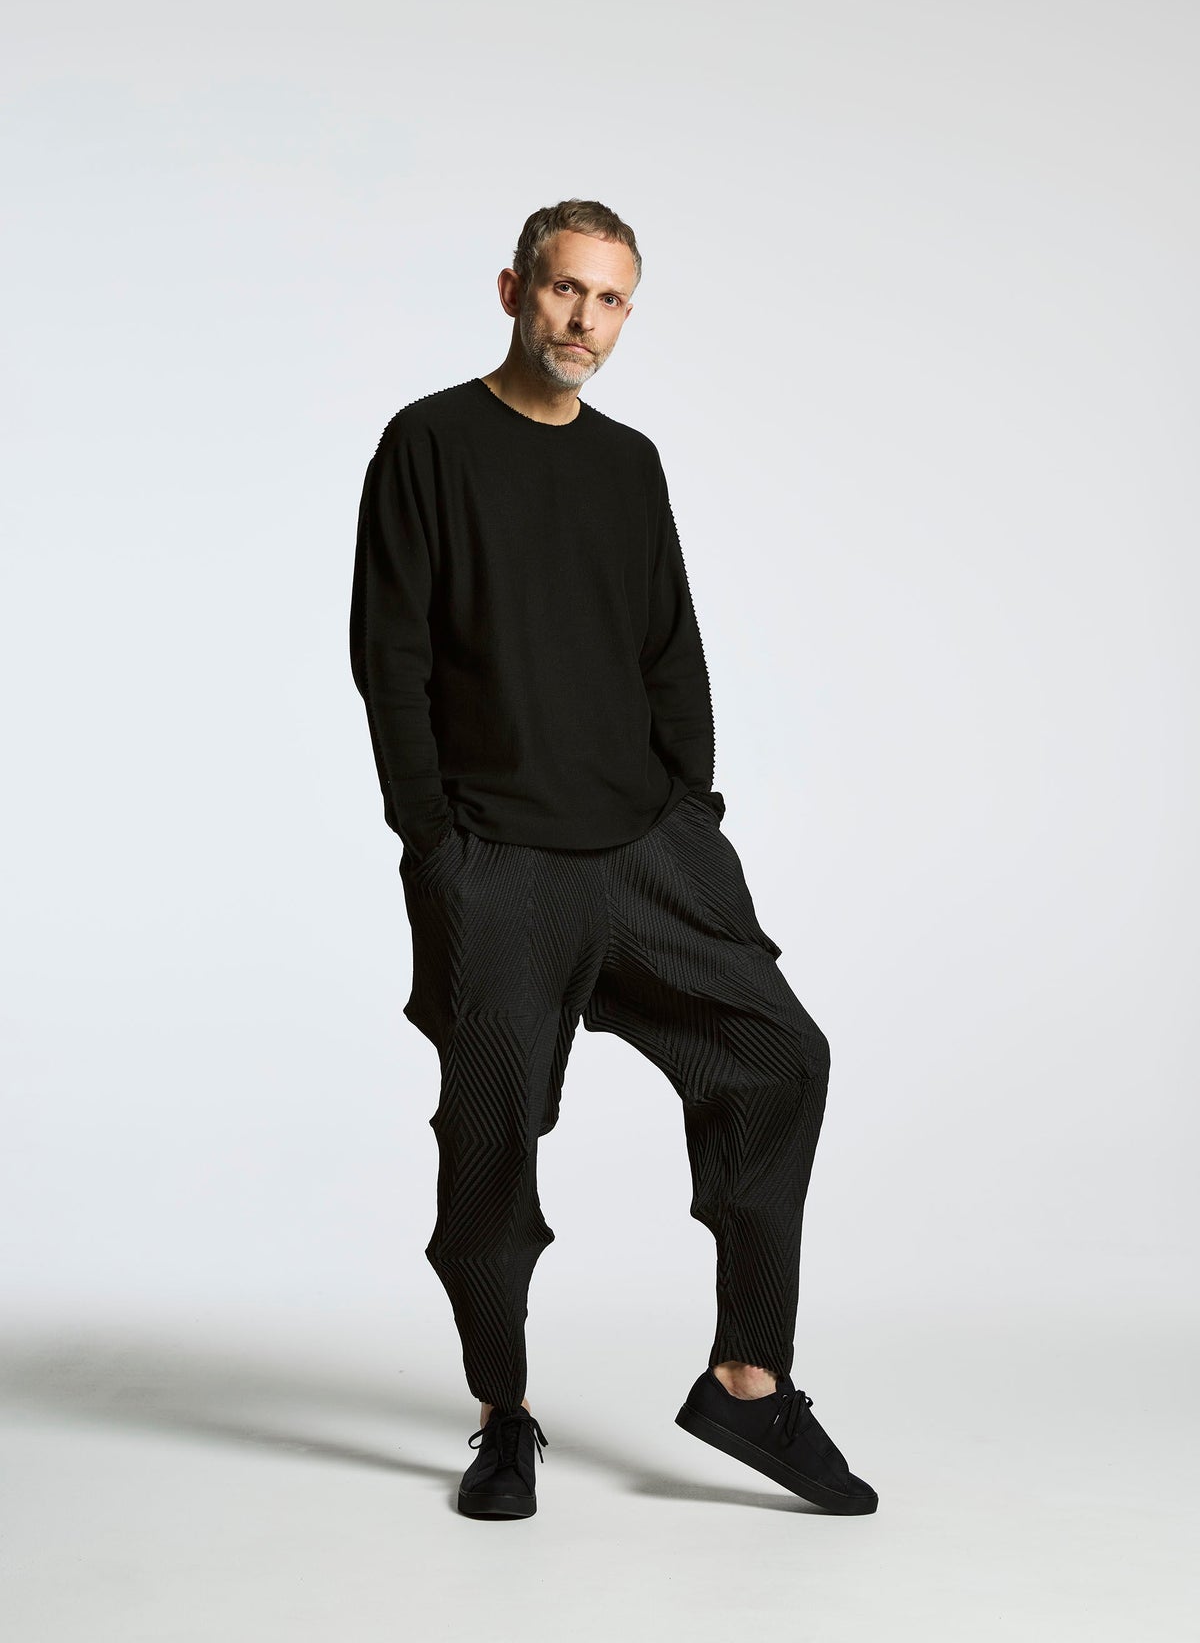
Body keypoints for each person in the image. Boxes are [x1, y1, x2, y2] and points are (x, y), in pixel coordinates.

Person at [349, 199, 876, 1521]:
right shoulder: (428, 444)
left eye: (611, 299)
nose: (585, 319)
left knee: (778, 1057)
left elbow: (668, 646)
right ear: (514, 290)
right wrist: (436, 840)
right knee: (490, 1144)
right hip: (500, 862)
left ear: (629, 313)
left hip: (645, 847)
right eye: (564, 290)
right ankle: (502, 1417)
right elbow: (390, 653)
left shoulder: (629, 464)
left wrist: (689, 811)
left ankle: (750, 1384)